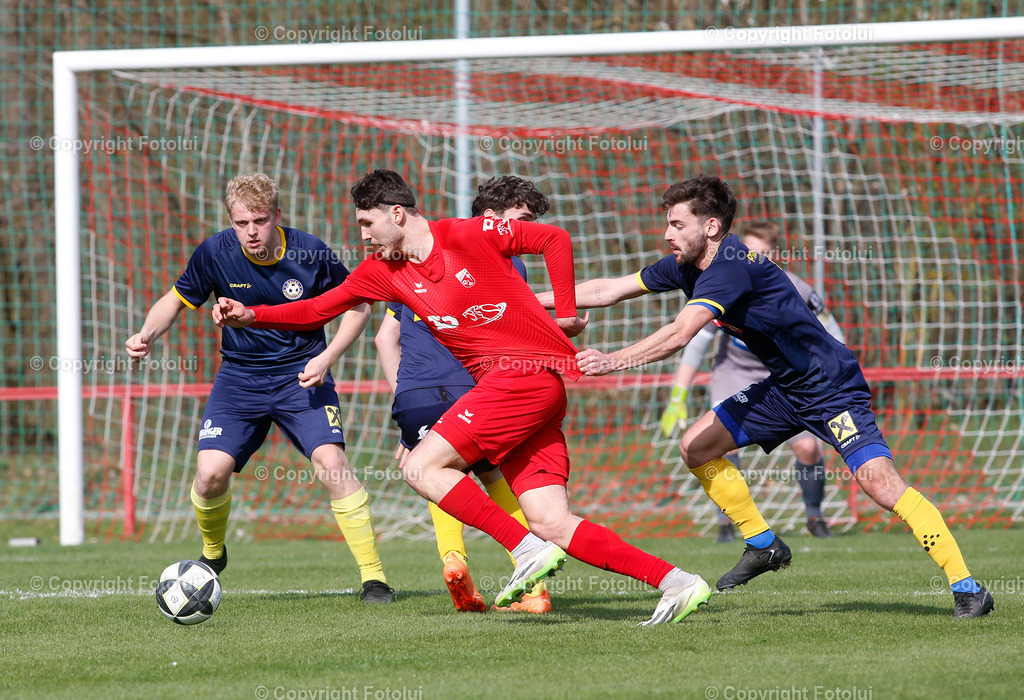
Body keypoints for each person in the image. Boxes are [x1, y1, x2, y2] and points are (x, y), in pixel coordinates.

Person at [216, 168, 712, 626]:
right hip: (526, 392)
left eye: (367, 223)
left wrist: (563, 311)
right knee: (552, 521)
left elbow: (553, 239)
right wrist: (252, 315)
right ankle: (678, 583)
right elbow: (316, 310)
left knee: (418, 467)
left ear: (396, 213)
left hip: (522, 379)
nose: (363, 235)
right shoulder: (380, 271)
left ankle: (523, 550)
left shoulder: (466, 233)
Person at [549, 173, 992, 618]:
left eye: (678, 224)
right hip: (785, 389)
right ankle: (763, 545)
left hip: (830, 387)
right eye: (668, 223)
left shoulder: (731, 267)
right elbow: (608, 289)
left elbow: (680, 334)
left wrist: (613, 360)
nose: (667, 233)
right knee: (696, 446)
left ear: (711, 227)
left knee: (879, 482)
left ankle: (968, 588)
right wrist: (529, 301)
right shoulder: (687, 265)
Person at [125, 173, 393, 603]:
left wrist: (327, 358)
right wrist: (146, 335)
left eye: (260, 221)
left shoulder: (311, 252)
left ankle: (374, 579)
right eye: (240, 222)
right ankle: (213, 555)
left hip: (301, 376)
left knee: (332, 464)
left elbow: (358, 304)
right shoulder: (214, 252)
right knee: (210, 475)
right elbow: (175, 299)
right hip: (240, 379)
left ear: (277, 217)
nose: (250, 231)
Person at [373, 176, 553, 614]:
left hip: (416, 393)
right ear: (492, 218)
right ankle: (535, 589)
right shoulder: (507, 259)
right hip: (472, 389)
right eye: (522, 221)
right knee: (495, 479)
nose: (526, 232)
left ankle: (454, 561)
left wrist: (409, 412)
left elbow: (384, 339)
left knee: (436, 473)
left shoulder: (417, 254)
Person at [660, 221, 844, 541]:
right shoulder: (722, 286)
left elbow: (831, 332)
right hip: (734, 373)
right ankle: (726, 525)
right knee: (720, 445)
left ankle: (816, 518)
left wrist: (837, 375)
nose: (748, 258)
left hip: (783, 375)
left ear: (774, 255)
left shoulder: (796, 288)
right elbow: (696, 343)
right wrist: (678, 395)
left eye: (760, 253)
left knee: (807, 447)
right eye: (746, 250)